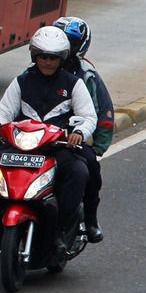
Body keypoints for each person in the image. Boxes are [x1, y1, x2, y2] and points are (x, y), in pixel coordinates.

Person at [0, 25, 97, 255]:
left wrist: (79, 133)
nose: (48, 61)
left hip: (57, 149)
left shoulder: (74, 84)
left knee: (79, 172)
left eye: (53, 57)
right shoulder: (22, 81)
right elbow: (3, 113)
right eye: (43, 56)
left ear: (62, 58)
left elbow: (89, 117)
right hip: (21, 147)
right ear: (35, 55)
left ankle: (61, 230)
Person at [54, 15, 114, 242]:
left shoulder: (87, 76)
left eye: (69, 42)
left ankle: (90, 219)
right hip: (38, 138)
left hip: (73, 140)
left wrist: (96, 144)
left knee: (90, 170)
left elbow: (104, 112)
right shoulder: (34, 70)